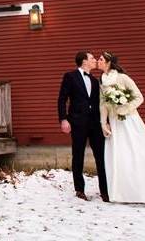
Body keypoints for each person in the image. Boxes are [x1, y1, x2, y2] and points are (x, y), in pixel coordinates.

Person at [97, 51, 145, 204]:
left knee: (134, 152)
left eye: (100, 59)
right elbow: (103, 104)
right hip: (114, 122)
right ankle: (122, 192)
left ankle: (143, 189)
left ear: (108, 62)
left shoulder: (122, 78)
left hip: (129, 120)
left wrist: (124, 108)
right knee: (119, 154)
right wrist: (103, 122)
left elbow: (139, 97)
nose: (98, 61)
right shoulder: (101, 81)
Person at [57, 51, 108, 201]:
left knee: (101, 157)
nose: (94, 60)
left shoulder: (95, 80)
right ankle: (79, 189)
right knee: (78, 155)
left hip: (95, 124)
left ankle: (105, 191)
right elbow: (62, 99)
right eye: (92, 58)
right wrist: (63, 119)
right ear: (84, 61)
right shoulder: (70, 76)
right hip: (78, 122)